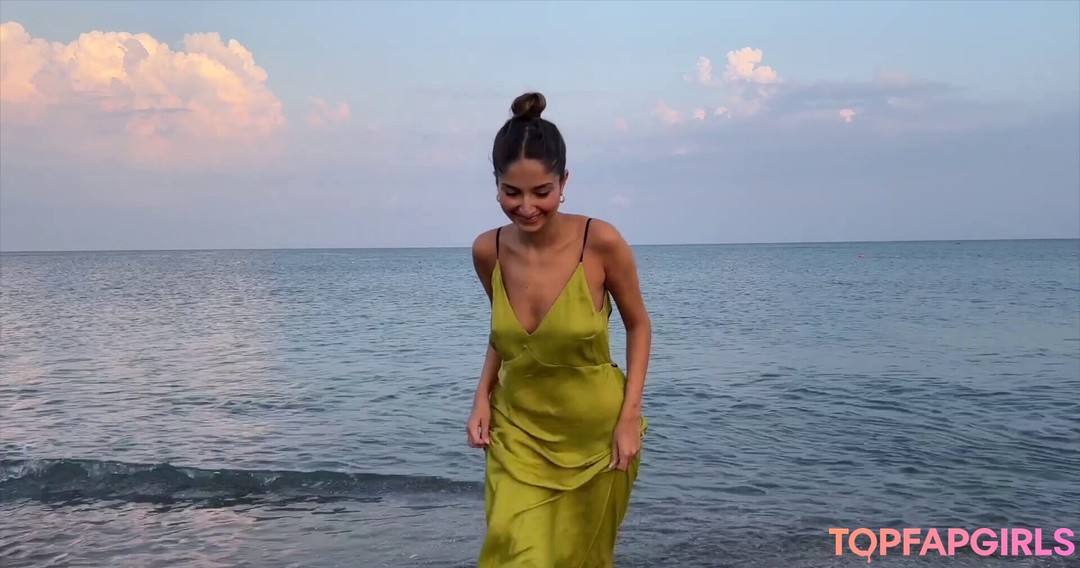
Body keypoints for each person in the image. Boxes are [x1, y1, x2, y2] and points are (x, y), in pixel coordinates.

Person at [466, 91, 651, 567]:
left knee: (580, 559)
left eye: (541, 192)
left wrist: (629, 418)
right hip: (517, 433)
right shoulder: (488, 250)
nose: (527, 207)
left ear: (564, 182)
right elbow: (505, 337)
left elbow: (639, 325)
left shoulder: (600, 241)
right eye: (512, 192)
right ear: (496, 185)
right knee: (511, 554)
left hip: (596, 438)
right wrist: (481, 396)